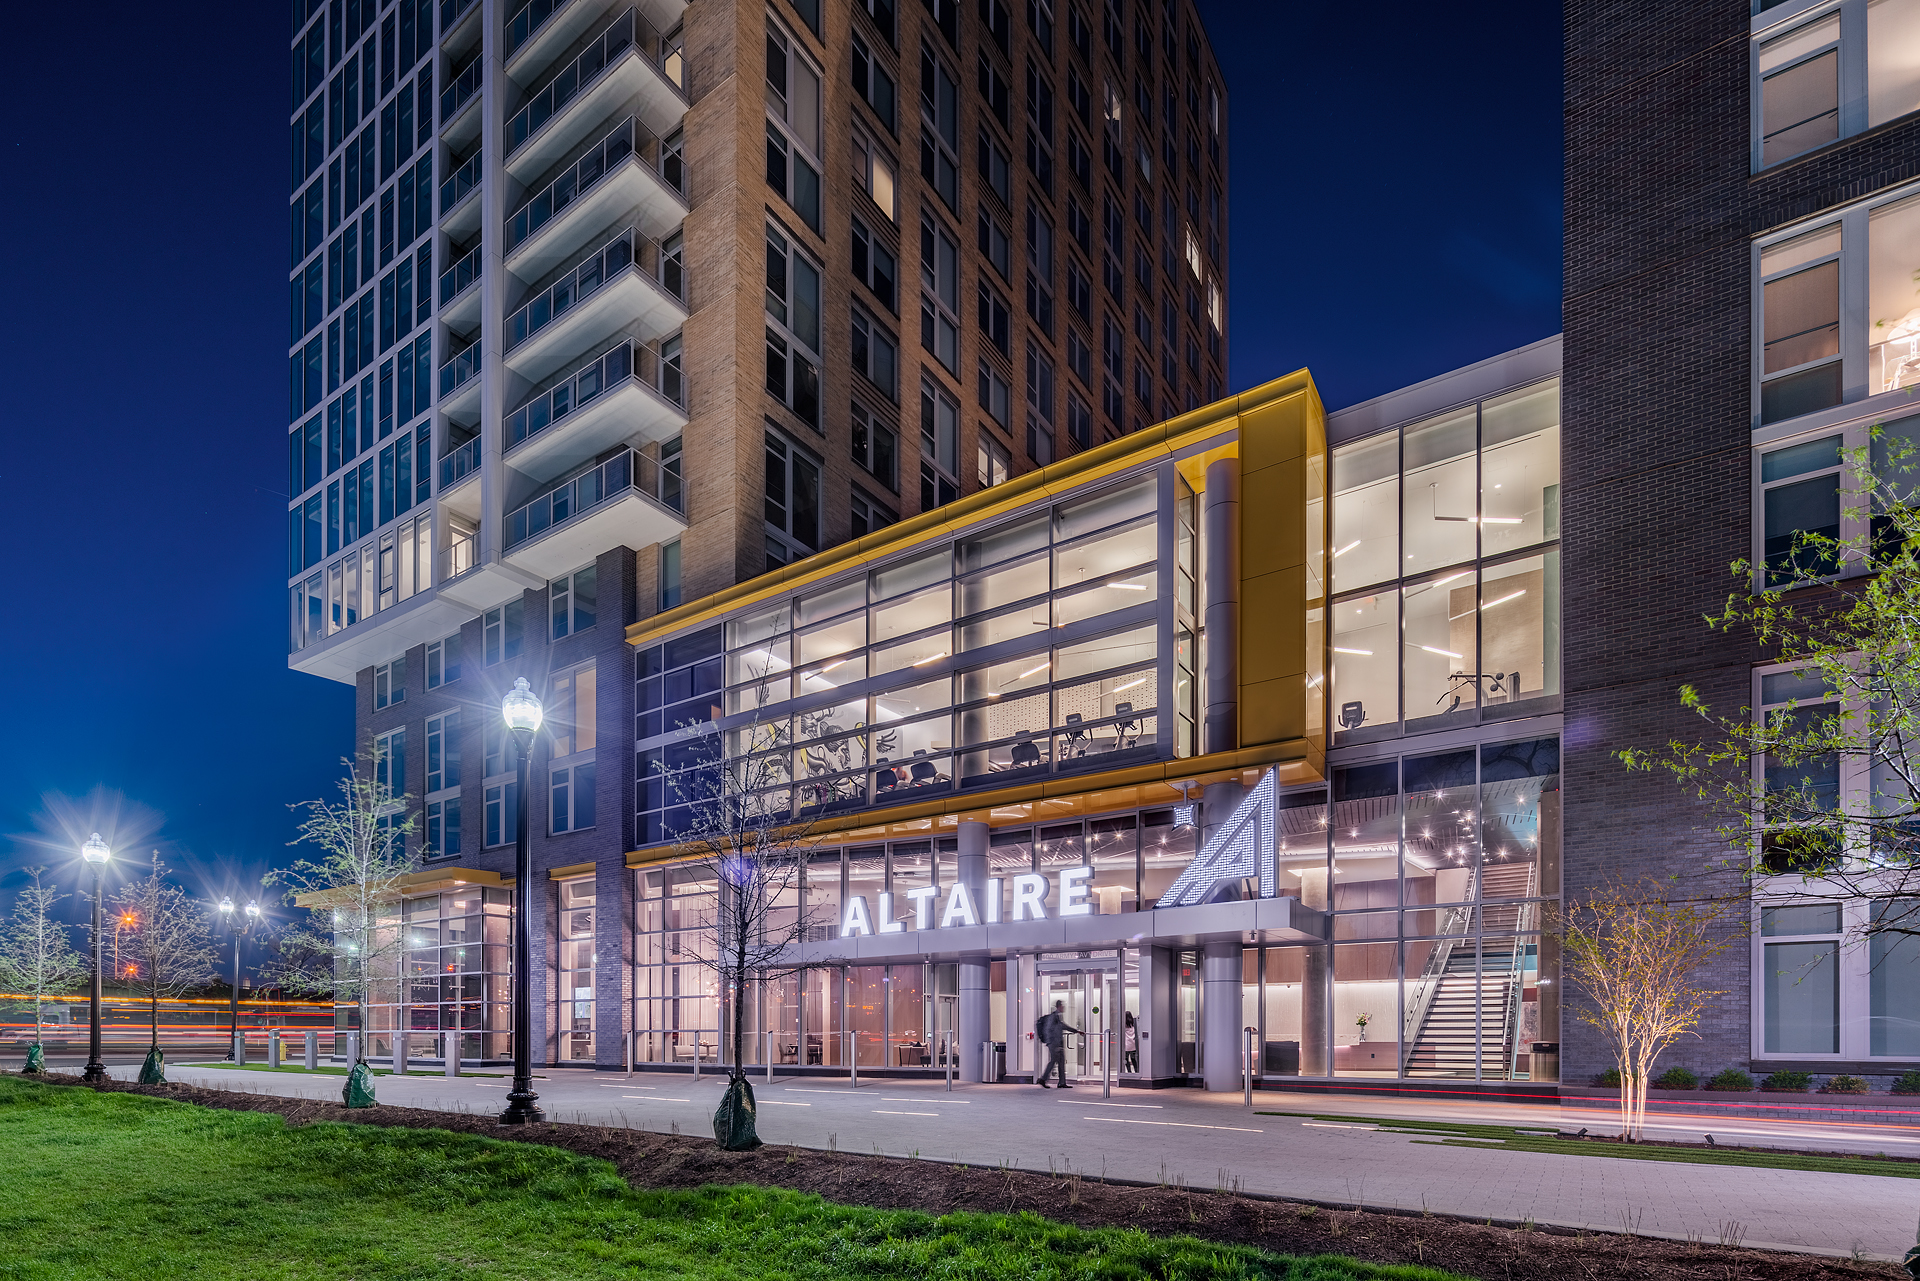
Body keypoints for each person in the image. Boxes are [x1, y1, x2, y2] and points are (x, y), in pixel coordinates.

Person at [1035, 1000, 1079, 1088]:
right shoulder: (1053, 1017)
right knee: (1053, 1061)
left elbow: (1063, 1026)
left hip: (1058, 1043)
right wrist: (1051, 1042)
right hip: (1054, 1044)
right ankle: (1043, 1079)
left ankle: (1062, 1082)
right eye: (1063, 1006)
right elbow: (1047, 1030)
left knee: (1061, 1062)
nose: (1064, 1007)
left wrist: (1076, 1031)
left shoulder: (1058, 1017)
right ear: (1059, 1006)